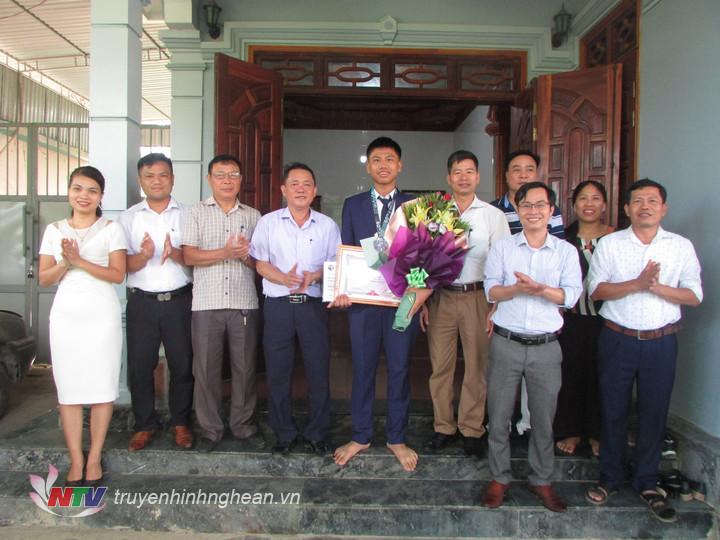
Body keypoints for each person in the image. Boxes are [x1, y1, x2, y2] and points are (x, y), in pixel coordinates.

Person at [585, 179, 702, 523]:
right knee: (613, 409)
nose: (645, 206)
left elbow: (694, 295)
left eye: (652, 201)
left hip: (661, 341)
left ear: (663, 208)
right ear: (626, 209)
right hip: (617, 338)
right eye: (638, 201)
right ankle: (609, 478)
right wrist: (636, 284)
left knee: (654, 410)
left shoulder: (680, 246)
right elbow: (596, 291)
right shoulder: (610, 244)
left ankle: (647, 482)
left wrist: (658, 288)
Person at [482, 181, 582, 512]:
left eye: (541, 205)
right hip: (506, 342)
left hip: (546, 347)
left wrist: (541, 289)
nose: (533, 211)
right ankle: (499, 477)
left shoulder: (565, 252)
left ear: (551, 211)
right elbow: (491, 290)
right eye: (526, 205)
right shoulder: (503, 248)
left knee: (543, 418)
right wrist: (516, 289)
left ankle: (541, 479)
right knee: (498, 416)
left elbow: (571, 296)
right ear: (518, 209)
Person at [333, 136, 420, 472]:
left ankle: (396, 437)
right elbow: (348, 250)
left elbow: (424, 256)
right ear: (368, 166)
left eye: (389, 159)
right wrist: (344, 288)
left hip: (403, 302)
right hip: (364, 303)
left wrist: (417, 295)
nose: (383, 165)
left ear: (400, 165)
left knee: (400, 368)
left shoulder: (415, 205)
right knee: (362, 367)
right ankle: (361, 434)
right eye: (377, 160)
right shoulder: (353, 205)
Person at [38, 166, 127, 486]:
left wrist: (80, 261)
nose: (84, 196)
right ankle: (76, 458)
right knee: (70, 388)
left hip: (101, 314)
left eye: (92, 190)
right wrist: (66, 261)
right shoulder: (54, 230)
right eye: (78, 188)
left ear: (101, 196)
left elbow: (118, 274)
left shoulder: (111, 229)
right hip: (67, 316)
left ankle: (94, 457)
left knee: (103, 386)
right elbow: (45, 278)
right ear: (69, 192)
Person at [420, 150, 509, 456]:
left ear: (478, 177)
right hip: (440, 297)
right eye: (457, 172)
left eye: (470, 171)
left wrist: (495, 307)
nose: (464, 177)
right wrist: (422, 301)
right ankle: (443, 426)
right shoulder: (433, 212)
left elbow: (503, 262)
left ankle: (472, 428)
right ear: (449, 177)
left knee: (476, 366)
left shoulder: (492, 216)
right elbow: (421, 259)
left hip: (477, 297)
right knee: (440, 367)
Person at [250, 162, 341, 456]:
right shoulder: (268, 223)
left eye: (307, 184)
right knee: (278, 372)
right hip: (278, 307)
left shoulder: (327, 226)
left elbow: (337, 265)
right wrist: (282, 278)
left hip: (312, 307)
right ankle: (284, 433)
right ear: (284, 190)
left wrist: (315, 275)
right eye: (294, 184)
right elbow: (260, 263)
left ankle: (317, 432)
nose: (301, 189)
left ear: (314, 191)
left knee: (318, 370)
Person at [181, 154, 261, 452]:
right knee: (205, 370)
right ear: (209, 179)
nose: (227, 180)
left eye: (233, 174)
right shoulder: (195, 213)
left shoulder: (253, 216)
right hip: (206, 303)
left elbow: (260, 263)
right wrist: (225, 253)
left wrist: (245, 256)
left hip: (244, 302)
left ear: (241, 179)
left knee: (245, 368)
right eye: (220, 175)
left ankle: (243, 425)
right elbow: (188, 256)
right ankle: (210, 429)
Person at [119, 153, 194, 451]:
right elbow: (121, 265)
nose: (157, 181)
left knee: (182, 364)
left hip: (179, 300)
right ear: (141, 181)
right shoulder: (128, 218)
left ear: (172, 179)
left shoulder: (188, 214)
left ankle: (181, 423)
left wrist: (175, 253)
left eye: (163, 175)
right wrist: (143, 255)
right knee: (140, 366)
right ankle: (144, 424)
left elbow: (196, 258)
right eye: (149, 176)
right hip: (142, 303)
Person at [490, 150, 565, 436]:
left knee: (537, 381)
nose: (523, 174)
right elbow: (492, 274)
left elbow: (558, 260)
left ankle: (528, 425)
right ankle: (502, 425)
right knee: (503, 378)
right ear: (506, 175)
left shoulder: (550, 214)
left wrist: (552, 300)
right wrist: (496, 302)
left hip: (543, 312)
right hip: (505, 304)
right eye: (516, 169)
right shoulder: (494, 211)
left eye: (529, 169)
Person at [553, 180, 613, 458]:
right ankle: (572, 430)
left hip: (608, 322)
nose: (589, 204)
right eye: (583, 198)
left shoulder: (617, 239)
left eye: (595, 198)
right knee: (571, 376)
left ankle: (598, 433)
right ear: (574, 205)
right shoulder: (563, 240)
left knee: (603, 377)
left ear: (605, 204)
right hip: (573, 321)